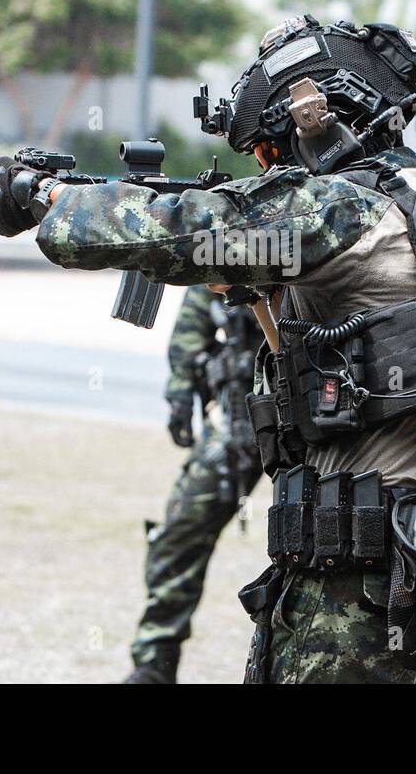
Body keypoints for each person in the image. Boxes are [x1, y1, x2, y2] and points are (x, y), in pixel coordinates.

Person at [0, 15, 416, 683]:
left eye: (272, 152)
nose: (269, 170)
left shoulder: (342, 208)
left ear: (317, 123)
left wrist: (40, 196)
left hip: (365, 586)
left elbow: (172, 231)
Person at [126, 286, 264, 683]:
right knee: (180, 530)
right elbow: (197, 311)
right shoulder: (232, 234)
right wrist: (182, 388)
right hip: (247, 412)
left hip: (323, 409)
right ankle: (154, 663)